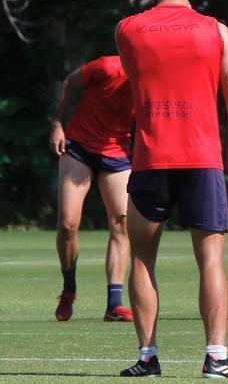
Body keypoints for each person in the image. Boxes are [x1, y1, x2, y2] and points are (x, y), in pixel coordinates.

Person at [115, 0, 228, 378]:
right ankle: (216, 357)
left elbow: (134, 78)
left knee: (141, 258)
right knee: (211, 260)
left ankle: (147, 357)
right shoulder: (217, 33)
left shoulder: (128, 30)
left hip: (151, 158)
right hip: (202, 159)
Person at [50, 55, 135, 323]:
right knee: (68, 225)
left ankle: (114, 304)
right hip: (80, 146)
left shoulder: (154, 80)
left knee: (122, 222)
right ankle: (69, 288)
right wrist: (57, 124)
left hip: (117, 152)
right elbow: (71, 82)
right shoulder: (108, 67)